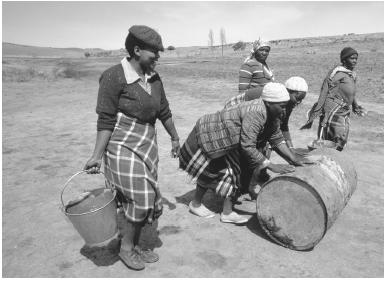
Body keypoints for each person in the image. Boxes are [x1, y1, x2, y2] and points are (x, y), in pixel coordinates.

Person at [83, 25, 181, 271]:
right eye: (154, 52)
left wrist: (175, 137)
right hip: (121, 143)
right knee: (141, 197)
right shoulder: (113, 76)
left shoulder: (155, 79)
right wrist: (96, 155)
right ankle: (125, 248)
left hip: (147, 143)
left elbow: (164, 111)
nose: (158, 57)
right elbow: (105, 120)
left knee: (143, 198)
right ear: (136, 50)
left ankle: (135, 245)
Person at [179, 83, 309, 224]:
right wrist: (271, 165)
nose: (284, 110)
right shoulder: (256, 112)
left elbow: (276, 137)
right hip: (212, 135)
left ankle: (227, 212)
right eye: (282, 106)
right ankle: (196, 204)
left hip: (234, 140)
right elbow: (248, 146)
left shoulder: (274, 112)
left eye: (285, 106)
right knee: (211, 171)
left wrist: (292, 158)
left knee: (239, 172)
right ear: (269, 103)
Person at [301, 47, 367, 151]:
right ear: (344, 59)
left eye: (356, 58)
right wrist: (324, 110)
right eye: (352, 58)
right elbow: (326, 90)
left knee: (342, 137)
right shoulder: (337, 74)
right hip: (334, 109)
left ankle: (335, 157)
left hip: (344, 110)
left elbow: (352, 92)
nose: (355, 61)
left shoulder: (351, 74)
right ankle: (327, 157)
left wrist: (355, 105)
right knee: (332, 136)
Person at [226, 76, 308, 149]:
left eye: (301, 100)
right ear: (288, 91)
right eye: (297, 98)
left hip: (251, 111)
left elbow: (283, 126)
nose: (298, 102)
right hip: (235, 107)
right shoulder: (272, 96)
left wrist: (291, 148)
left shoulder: (288, 104)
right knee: (245, 141)